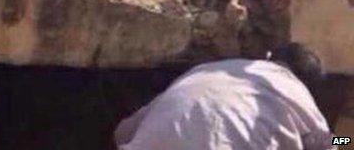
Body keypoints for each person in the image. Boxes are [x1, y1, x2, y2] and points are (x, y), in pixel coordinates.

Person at [115, 43, 335, 150]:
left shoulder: (206, 71)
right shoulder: (296, 92)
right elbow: (328, 143)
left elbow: (122, 133)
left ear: (268, 57)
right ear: (308, 84)